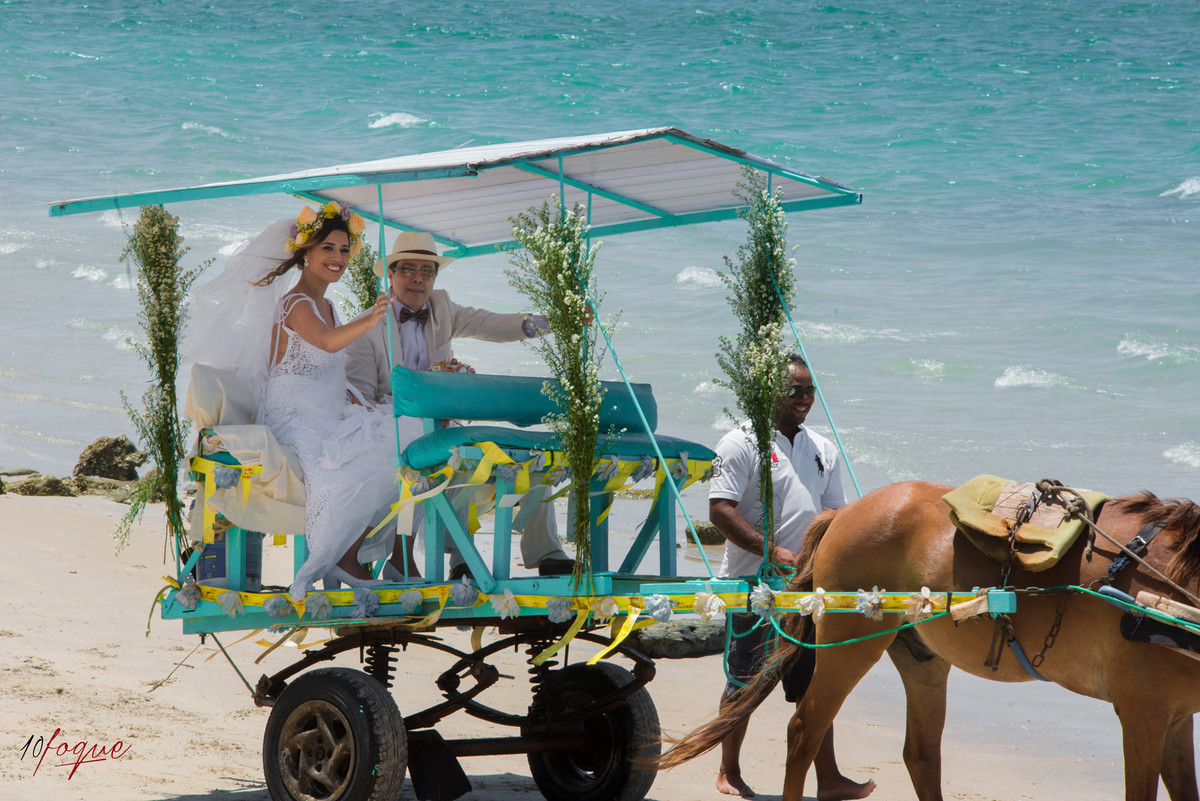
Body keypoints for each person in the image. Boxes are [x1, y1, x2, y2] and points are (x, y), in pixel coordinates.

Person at [186, 203, 423, 602]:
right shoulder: (295, 304)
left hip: (326, 409)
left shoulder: (328, 306)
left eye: (344, 250)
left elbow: (327, 369)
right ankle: (341, 556)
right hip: (296, 417)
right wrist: (370, 318)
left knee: (403, 438)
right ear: (306, 253)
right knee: (356, 461)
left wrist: (354, 398)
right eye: (328, 248)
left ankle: (363, 553)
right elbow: (327, 343)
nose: (338, 258)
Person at [345, 231, 574, 578]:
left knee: (529, 459)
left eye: (427, 270)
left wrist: (552, 321)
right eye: (408, 269)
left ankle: (549, 552)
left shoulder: (442, 306)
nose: (418, 278)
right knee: (458, 461)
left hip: (444, 426)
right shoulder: (367, 327)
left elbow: (490, 324)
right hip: (395, 429)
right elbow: (362, 398)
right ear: (390, 274)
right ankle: (462, 561)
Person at [708, 355, 874, 800]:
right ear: (770, 392)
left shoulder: (823, 448)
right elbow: (720, 509)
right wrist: (772, 551)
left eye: (809, 391)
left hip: (808, 587)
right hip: (754, 585)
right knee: (745, 680)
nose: (804, 399)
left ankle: (829, 779)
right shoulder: (740, 441)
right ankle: (728, 770)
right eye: (794, 391)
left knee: (814, 683)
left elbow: (834, 513)